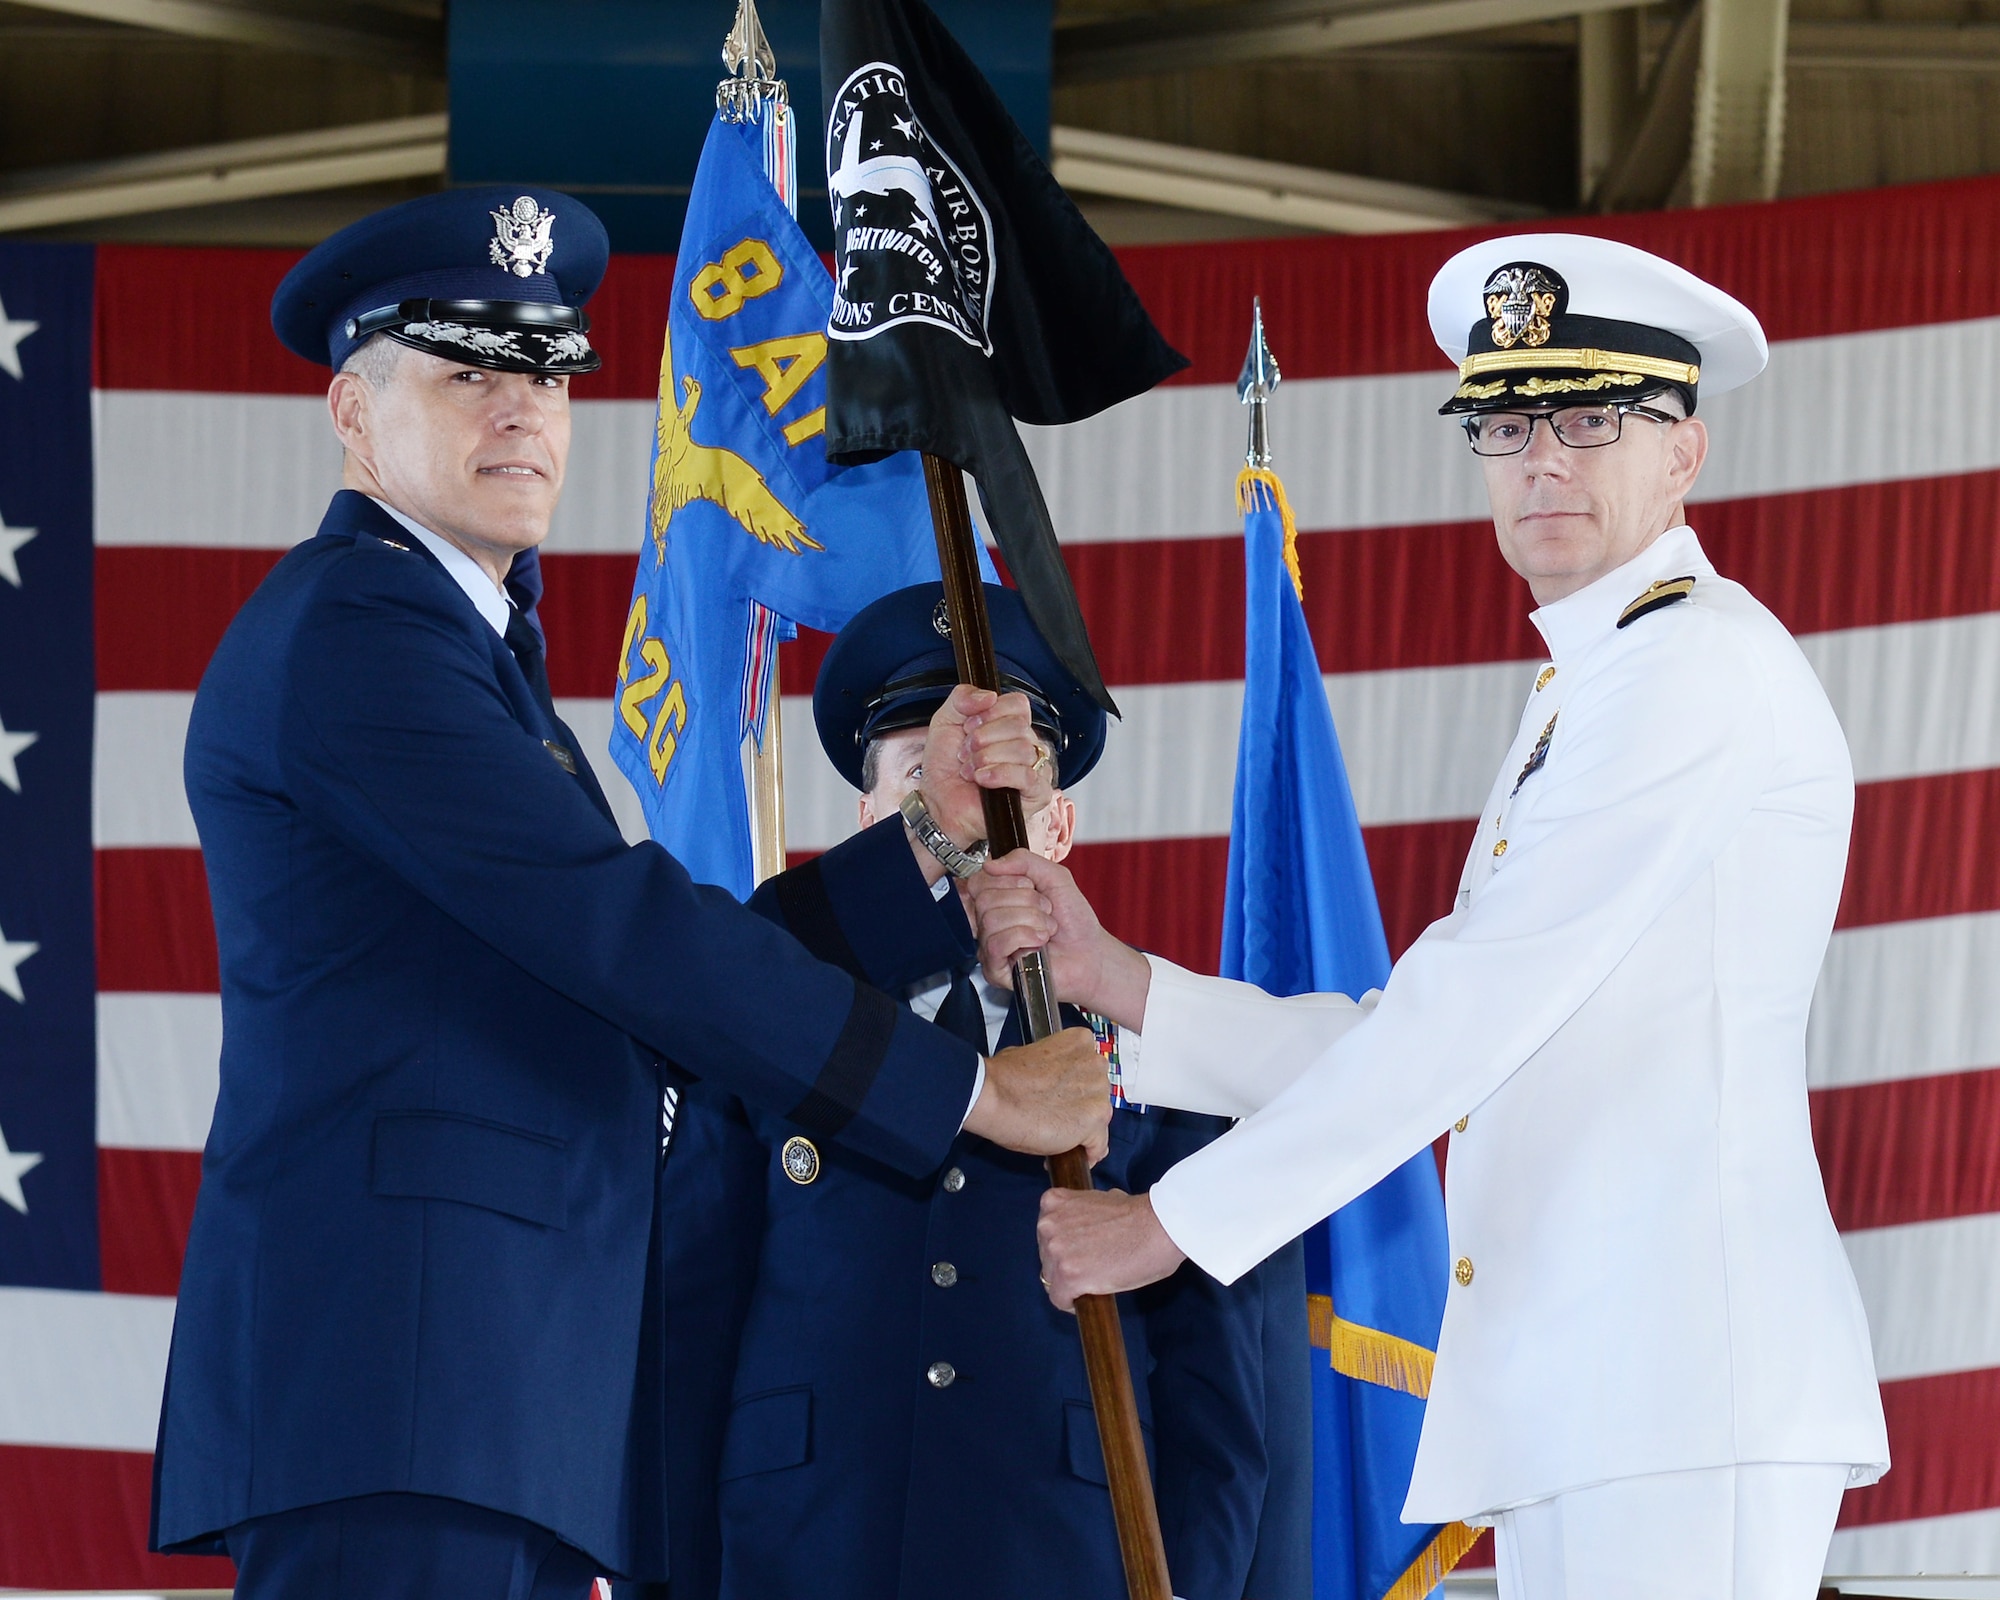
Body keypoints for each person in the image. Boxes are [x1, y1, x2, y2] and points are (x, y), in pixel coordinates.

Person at [148, 187, 1111, 1600]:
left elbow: (627, 960)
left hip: (482, 1389)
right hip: (409, 1382)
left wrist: (924, 841)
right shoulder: (357, 633)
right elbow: (623, 934)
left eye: (544, 373)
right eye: (466, 372)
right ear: (351, 413)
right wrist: (972, 1094)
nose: (521, 411)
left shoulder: (461, 646)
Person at [975, 234, 1890, 1600]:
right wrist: (1128, 983)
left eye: (1592, 421)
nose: (1545, 462)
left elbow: (1471, 1014)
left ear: (1685, 451)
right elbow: (1429, 1027)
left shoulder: (1692, 672)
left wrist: (1169, 1223)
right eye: (1509, 425)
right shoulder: (1599, 683)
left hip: (1681, 1388)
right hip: (1615, 1390)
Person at [642, 581, 1303, 1600]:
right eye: (921, 781)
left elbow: (1222, 1403)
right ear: (869, 820)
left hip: (1061, 1559)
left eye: (1008, 783)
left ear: (1059, 828)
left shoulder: (1169, 1055)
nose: (967, 813)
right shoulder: (780, 1023)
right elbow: (689, 1331)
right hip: (804, 1553)